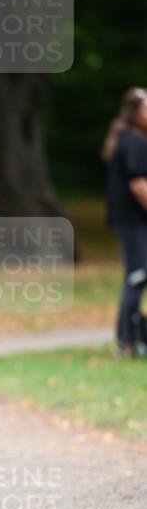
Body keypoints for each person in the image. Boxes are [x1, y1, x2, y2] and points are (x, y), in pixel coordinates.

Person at [104, 87, 147, 356]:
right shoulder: (134, 141)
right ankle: (127, 340)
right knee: (137, 276)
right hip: (132, 220)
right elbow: (139, 185)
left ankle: (129, 337)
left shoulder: (130, 138)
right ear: (136, 113)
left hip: (128, 220)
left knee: (136, 275)